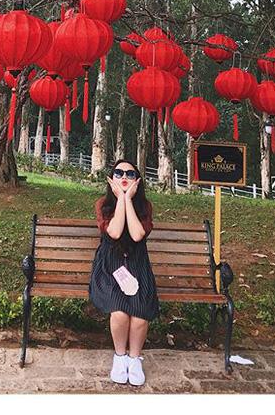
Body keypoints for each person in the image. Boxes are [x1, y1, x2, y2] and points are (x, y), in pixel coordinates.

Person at [88, 160, 159, 386]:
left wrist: (128, 200)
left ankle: (134, 359)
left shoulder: (145, 207)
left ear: (138, 180)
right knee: (119, 312)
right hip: (110, 267)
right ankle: (120, 357)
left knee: (139, 314)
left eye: (130, 173)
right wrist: (120, 199)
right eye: (119, 173)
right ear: (112, 179)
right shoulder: (103, 204)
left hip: (137, 265)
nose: (124, 177)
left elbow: (137, 235)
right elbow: (115, 232)